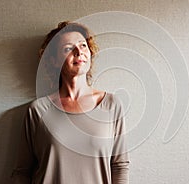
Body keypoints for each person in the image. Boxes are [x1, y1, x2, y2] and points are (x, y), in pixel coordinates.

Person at [11, 21, 130, 183]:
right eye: (68, 48)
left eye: (83, 46)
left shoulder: (111, 104)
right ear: (53, 61)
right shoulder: (38, 110)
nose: (78, 52)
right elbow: (22, 172)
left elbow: (120, 166)